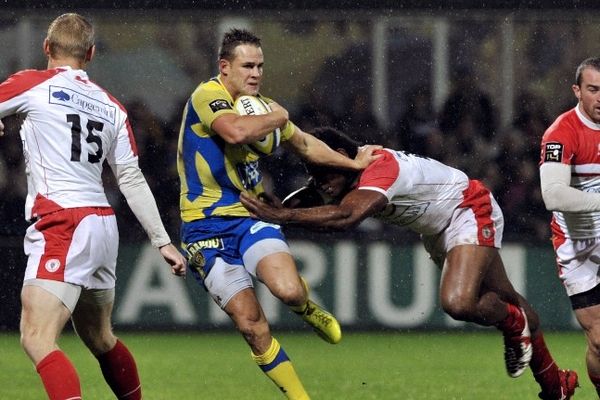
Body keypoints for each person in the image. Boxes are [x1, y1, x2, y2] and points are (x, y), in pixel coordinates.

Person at [241, 126, 579, 400]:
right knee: (506, 300)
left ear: (341, 157)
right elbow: (310, 201)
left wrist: (284, 215)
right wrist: (282, 208)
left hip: (467, 208)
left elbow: (346, 216)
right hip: (438, 229)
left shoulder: (379, 167)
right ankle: (555, 386)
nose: (318, 181)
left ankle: (512, 323)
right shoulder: (343, 171)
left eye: (320, 171)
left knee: (458, 302)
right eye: (312, 173)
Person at [176, 28, 380, 400]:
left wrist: (353, 164)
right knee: (253, 327)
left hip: (252, 216)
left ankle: (305, 307)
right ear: (225, 67)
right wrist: (279, 116)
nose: (255, 74)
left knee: (286, 290)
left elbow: (304, 144)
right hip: (203, 228)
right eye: (247, 66)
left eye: (260, 66)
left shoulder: (264, 107)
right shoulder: (208, 95)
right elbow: (235, 132)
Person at [0, 13, 187, 400]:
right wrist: (162, 240)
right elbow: (131, 179)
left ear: (47, 48)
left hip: (63, 222)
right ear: (91, 54)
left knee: (36, 338)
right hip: (103, 223)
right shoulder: (112, 106)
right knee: (100, 337)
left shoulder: (33, 83)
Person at [539, 56, 600, 398]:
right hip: (578, 246)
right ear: (577, 90)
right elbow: (553, 194)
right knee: (599, 340)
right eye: (593, 89)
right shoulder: (561, 133)